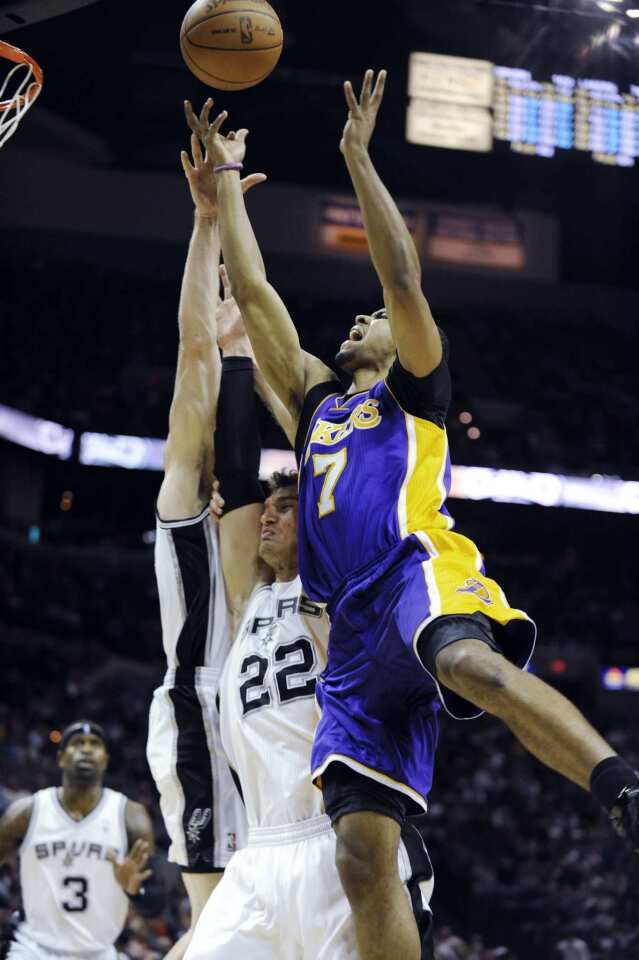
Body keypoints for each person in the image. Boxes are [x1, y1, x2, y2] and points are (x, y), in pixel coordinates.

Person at [202, 70, 639, 960]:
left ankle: (622, 792)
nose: (362, 316)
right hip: (349, 631)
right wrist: (222, 189)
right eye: (358, 315)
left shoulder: (416, 393)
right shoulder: (317, 408)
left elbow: (398, 270)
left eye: (374, 319)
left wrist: (358, 159)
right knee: (363, 857)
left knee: (468, 662)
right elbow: (253, 299)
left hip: (413, 567)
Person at [176, 224, 434, 959]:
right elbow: (233, 478)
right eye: (270, 506)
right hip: (258, 853)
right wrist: (232, 359)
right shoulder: (249, 599)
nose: (269, 517)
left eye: (286, 508)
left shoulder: (340, 586)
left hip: (336, 833)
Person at [145, 101, 265, 960]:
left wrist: (244, 350)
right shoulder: (185, 507)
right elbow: (193, 355)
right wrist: (207, 220)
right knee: (214, 936)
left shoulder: (267, 520)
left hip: (273, 727)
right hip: (203, 716)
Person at [0, 721, 163, 960]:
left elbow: (156, 905)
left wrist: (134, 889)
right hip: (32, 948)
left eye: (94, 744)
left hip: (98, 952)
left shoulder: (131, 817)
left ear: (105, 759)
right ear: (61, 757)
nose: (86, 749)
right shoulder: (26, 812)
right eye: (77, 743)